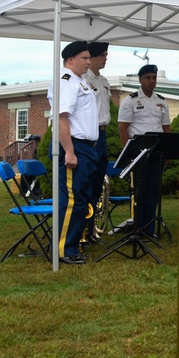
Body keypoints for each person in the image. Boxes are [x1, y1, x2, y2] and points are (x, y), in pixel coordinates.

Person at [47, 40, 99, 265]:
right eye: (85, 58)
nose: (89, 61)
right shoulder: (66, 81)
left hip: (86, 148)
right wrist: (69, 151)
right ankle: (62, 251)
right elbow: (61, 119)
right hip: (75, 146)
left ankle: (71, 245)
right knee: (72, 200)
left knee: (81, 199)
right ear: (70, 60)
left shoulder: (80, 82)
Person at [118, 65, 171, 237]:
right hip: (139, 151)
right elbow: (123, 128)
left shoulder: (161, 101)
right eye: (148, 77)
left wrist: (167, 150)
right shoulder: (130, 100)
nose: (151, 81)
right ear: (140, 79)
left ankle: (149, 227)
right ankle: (138, 227)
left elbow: (166, 128)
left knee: (153, 190)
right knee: (139, 191)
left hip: (156, 150)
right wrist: (128, 153)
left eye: (154, 77)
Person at [84, 41, 112, 243]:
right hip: (89, 134)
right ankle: (81, 230)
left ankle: (91, 230)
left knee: (96, 185)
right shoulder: (83, 80)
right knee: (85, 184)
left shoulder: (104, 81)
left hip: (102, 133)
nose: (105, 58)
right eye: (102, 54)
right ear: (91, 57)